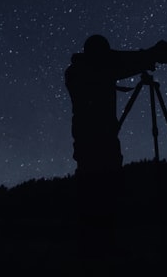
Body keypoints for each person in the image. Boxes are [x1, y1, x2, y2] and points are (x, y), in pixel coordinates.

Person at [64, 34, 158, 175]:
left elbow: (112, 67)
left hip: (100, 142)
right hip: (93, 144)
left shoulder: (82, 70)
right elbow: (108, 69)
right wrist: (142, 60)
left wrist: (141, 60)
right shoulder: (77, 72)